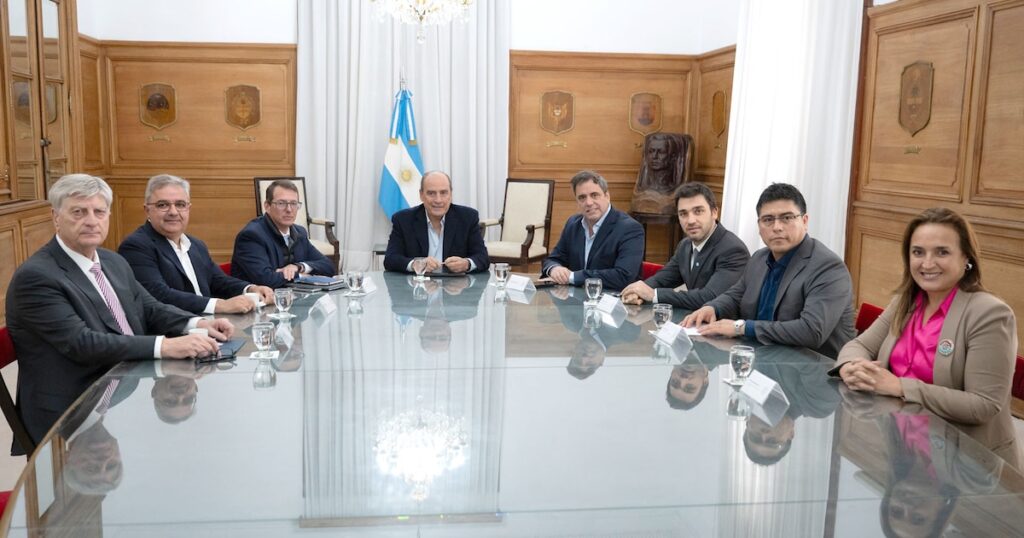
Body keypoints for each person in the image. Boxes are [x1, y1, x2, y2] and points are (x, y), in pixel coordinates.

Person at [6, 174, 234, 448]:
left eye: (99, 211)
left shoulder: (112, 261)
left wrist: (195, 324)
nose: (91, 221)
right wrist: (166, 345)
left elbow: (149, 307)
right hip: (72, 409)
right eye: (78, 212)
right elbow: (82, 343)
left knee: (194, 438)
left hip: (122, 385)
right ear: (56, 217)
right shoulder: (37, 276)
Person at [833, 207, 1020, 468]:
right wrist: (851, 367)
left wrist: (900, 387)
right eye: (918, 252)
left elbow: (983, 405)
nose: (927, 263)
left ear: (966, 257)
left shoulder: (990, 313)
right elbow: (860, 344)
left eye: (942, 252)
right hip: (902, 446)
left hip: (966, 464)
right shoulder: (905, 301)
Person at [682, 183, 855, 358]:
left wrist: (741, 328)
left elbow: (811, 331)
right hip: (762, 358)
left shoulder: (828, 268)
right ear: (759, 226)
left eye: (787, 218)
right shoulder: (759, 258)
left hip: (813, 366)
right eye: (768, 219)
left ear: (804, 221)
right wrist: (713, 308)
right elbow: (736, 295)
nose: (777, 227)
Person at [119, 174, 274, 315]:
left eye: (180, 204)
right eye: (162, 205)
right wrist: (219, 305)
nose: (173, 212)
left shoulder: (196, 244)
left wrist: (250, 289)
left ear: (188, 208)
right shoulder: (136, 246)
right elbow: (159, 295)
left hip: (209, 325)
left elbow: (217, 280)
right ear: (147, 210)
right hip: (174, 331)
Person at [621, 182, 749, 309]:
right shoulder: (685, 245)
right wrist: (637, 291)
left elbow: (709, 297)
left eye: (698, 211)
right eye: (683, 214)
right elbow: (662, 279)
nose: (691, 220)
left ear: (714, 212)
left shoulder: (733, 250)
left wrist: (654, 295)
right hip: (693, 318)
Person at [542, 170, 645, 291]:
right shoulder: (573, 224)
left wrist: (573, 277)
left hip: (614, 299)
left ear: (607, 196)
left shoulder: (630, 228)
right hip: (576, 298)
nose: (589, 203)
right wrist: (554, 269)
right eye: (582, 197)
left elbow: (623, 276)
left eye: (594, 195)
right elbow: (553, 259)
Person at [231, 179, 335, 288]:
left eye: (293, 203)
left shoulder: (300, 232)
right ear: (267, 206)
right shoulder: (251, 236)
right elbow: (266, 279)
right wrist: (301, 276)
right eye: (281, 203)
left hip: (293, 295)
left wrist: (298, 267)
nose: (289, 209)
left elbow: (328, 266)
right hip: (258, 297)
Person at [383, 170, 489, 274]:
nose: (438, 200)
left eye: (443, 193)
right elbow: (390, 259)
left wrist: (466, 264)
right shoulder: (403, 220)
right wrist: (416, 264)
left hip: (456, 284)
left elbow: (483, 257)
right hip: (416, 284)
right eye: (431, 193)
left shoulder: (468, 217)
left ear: (451, 194)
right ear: (421, 195)